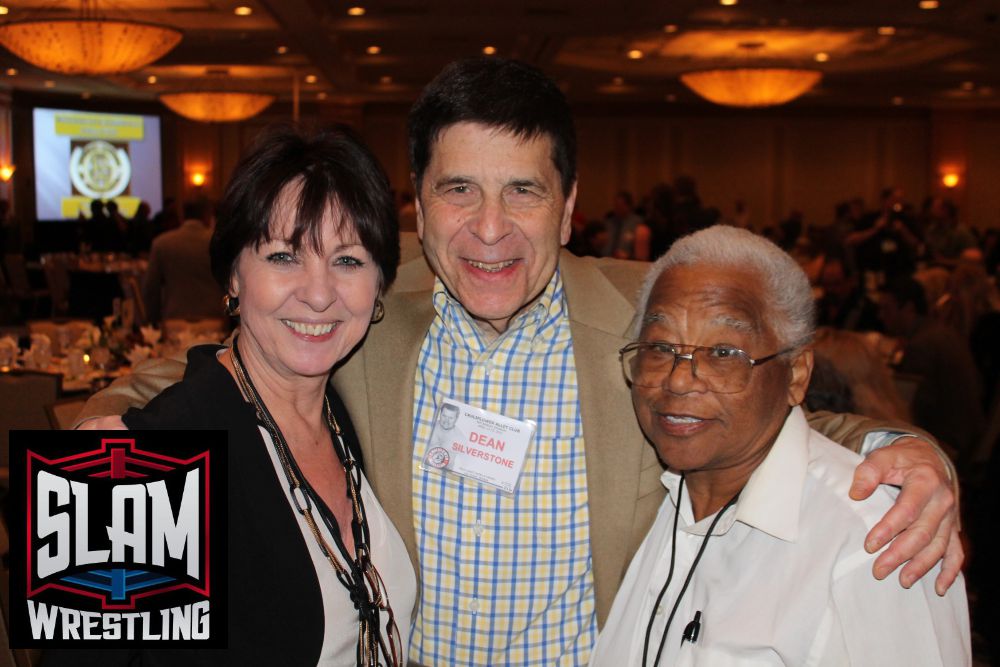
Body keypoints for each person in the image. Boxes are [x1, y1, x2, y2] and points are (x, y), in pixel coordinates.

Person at [79, 58, 960, 666]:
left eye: (523, 191)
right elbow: (204, 373)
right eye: (459, 189)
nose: (490, 229)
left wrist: (905, 446)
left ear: (570, 206)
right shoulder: (373, 312)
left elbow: (756, 384)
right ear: (418, 204)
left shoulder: (643, 320)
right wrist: (95, 438)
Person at [56, 126, 416, 665]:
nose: (319, 295)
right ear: (232, 276)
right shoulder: (138, 466)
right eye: (282, 257)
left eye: (348, 260)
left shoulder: (355, 409)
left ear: (379, 283)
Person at [592, 226, 969, 666]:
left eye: (724, 353)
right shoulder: (661, 499)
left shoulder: (871, 544)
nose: (678, 379)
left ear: (795, 375)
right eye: (659, 346)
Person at [141, 198, 226, 324]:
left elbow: (151, 288)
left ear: (182, 215)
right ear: (207, 215)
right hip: (214, 318)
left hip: (174, 319)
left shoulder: (162, 243)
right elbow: (229, 283)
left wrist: (153, 320)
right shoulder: (219, 242)